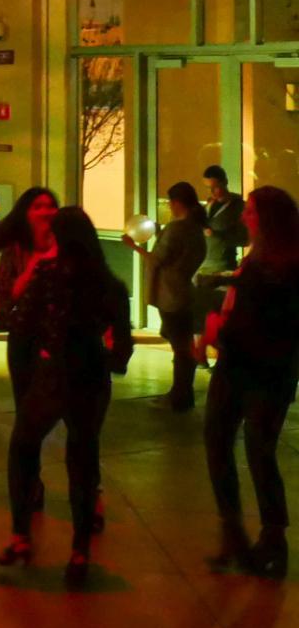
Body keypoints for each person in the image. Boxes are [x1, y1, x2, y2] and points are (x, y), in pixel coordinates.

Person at [0, 208, 133, 588]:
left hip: (52, 378)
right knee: (83, 461)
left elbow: (20, 324)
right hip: (90, 381)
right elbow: (122, 353)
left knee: (23, 447)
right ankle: (80, 550)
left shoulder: (49, 277)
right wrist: (100, 358)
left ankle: (21, 535)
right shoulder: (110, 286)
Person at [200, 187, 299, 580]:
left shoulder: (279, 267)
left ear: (269, 218)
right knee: (234, 444)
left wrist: (217, 329)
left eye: (252, 211)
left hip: (258, 369)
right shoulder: (261, 258)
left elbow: (259, 321)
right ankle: (246, 534)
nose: (245, 216)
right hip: (253, 368)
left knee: (251, 447)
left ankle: (261, 537)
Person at [0, 187, 60, 513]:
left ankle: (88, 491)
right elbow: (5, 297)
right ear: (26, 213)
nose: (46, 211)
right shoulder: (15, 251)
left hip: (60, 342)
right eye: (38, 206)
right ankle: (30, 483)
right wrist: (32, 269)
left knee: (64, 415)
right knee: (26, 416)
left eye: (50, 205)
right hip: (25, 340)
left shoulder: (67, 246)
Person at [124, 181, 207, 411]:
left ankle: (180, 395)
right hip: (185, 291)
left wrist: (134, 246)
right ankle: (181, 392)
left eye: (170, 202)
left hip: (170, 294)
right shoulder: (195, 228)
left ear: (177, 203)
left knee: (180, 347)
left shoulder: (177, 228)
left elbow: (158, 258)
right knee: (183, 343)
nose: (169, 206)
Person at [195, 165, 247, 362]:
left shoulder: (238, 207)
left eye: (215, 187)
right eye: (208, 188)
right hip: (202, 266)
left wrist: (218, 235)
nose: (212, 192)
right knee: (200, 314)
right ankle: (200, 355)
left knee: (220, 315)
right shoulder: (210, 205)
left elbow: (245, 239)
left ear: (225, 183)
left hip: (222, 267)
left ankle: (222, 357)